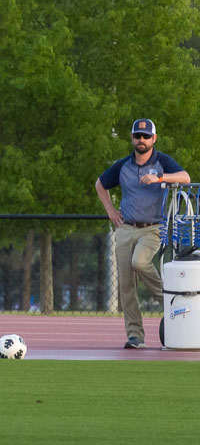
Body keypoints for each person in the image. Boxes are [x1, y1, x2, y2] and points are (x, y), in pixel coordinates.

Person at [95, 118, 190, 349]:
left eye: (146, 136)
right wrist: (110, 211)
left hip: (152, 228)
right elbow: (100, 184)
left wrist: (160, 178)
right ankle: (135, 336)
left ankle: (168, 301)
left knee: (140, 262)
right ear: (132, 138)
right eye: (138, 135)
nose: (142, 140)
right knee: (126, 286)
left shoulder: (162, 162)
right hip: (126, 228)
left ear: (153, 139)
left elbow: (185, 177)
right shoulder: (123, 165)